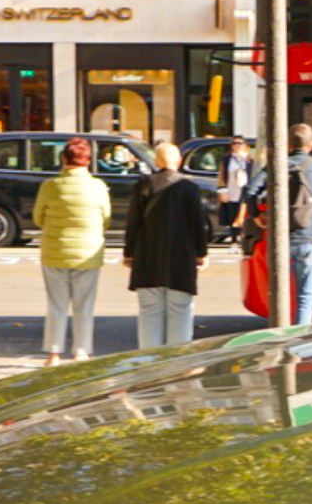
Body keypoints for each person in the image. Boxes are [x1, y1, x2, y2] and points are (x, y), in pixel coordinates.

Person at [243, 122, 312, 320]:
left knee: (279, 296)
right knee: (305, 297)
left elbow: (250, 191)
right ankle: (300, 333)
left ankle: (281, 330)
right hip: (309, 240)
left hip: (280, 241)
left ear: (288, 144)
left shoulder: (276, 165)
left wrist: (256, 215)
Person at [31, 136, 112, 363]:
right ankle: (81, 351)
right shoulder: (98, 186)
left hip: (55, 252)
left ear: (64, 159)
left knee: (56, 305)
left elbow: (38, 218)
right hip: (88, 253)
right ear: (88, 160)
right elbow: (106, 219)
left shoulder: (50, 186)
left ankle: (54, 354)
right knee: (84, 306)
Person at [122, 142, 210, 348]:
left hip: (147, 261)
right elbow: (199, 225)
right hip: (181, 263)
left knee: (149, 314)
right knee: (180, 313)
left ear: (156, 162)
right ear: (179, 162)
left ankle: (150, 361)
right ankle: (177, 363)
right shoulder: (189, 188)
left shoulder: (144, 185)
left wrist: (129, 253)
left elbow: (133, 223)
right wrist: (201, 254)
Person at [215, 135, 253, 243]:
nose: (237, 145)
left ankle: (245, 241)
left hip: (245, 193)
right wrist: (222, 190)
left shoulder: (250, 159)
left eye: (240, 143)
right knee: (232, 217)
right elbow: (221, 176)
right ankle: (234, 241)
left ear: (245, 145)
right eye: (234, 143)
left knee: (244, 217)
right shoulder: (227, 159)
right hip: (231, 192)